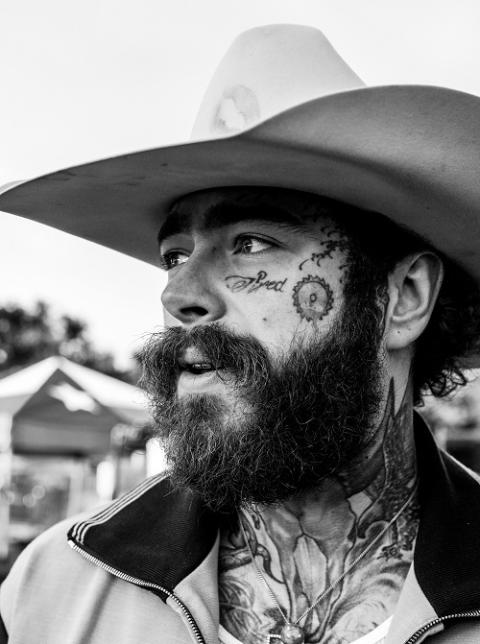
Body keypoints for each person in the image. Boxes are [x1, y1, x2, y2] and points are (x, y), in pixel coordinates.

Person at [1, 24, 480, 644]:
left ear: (404, 298)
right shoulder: (53, 588)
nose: (178, 294)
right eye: (175, 255)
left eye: (251, 243)